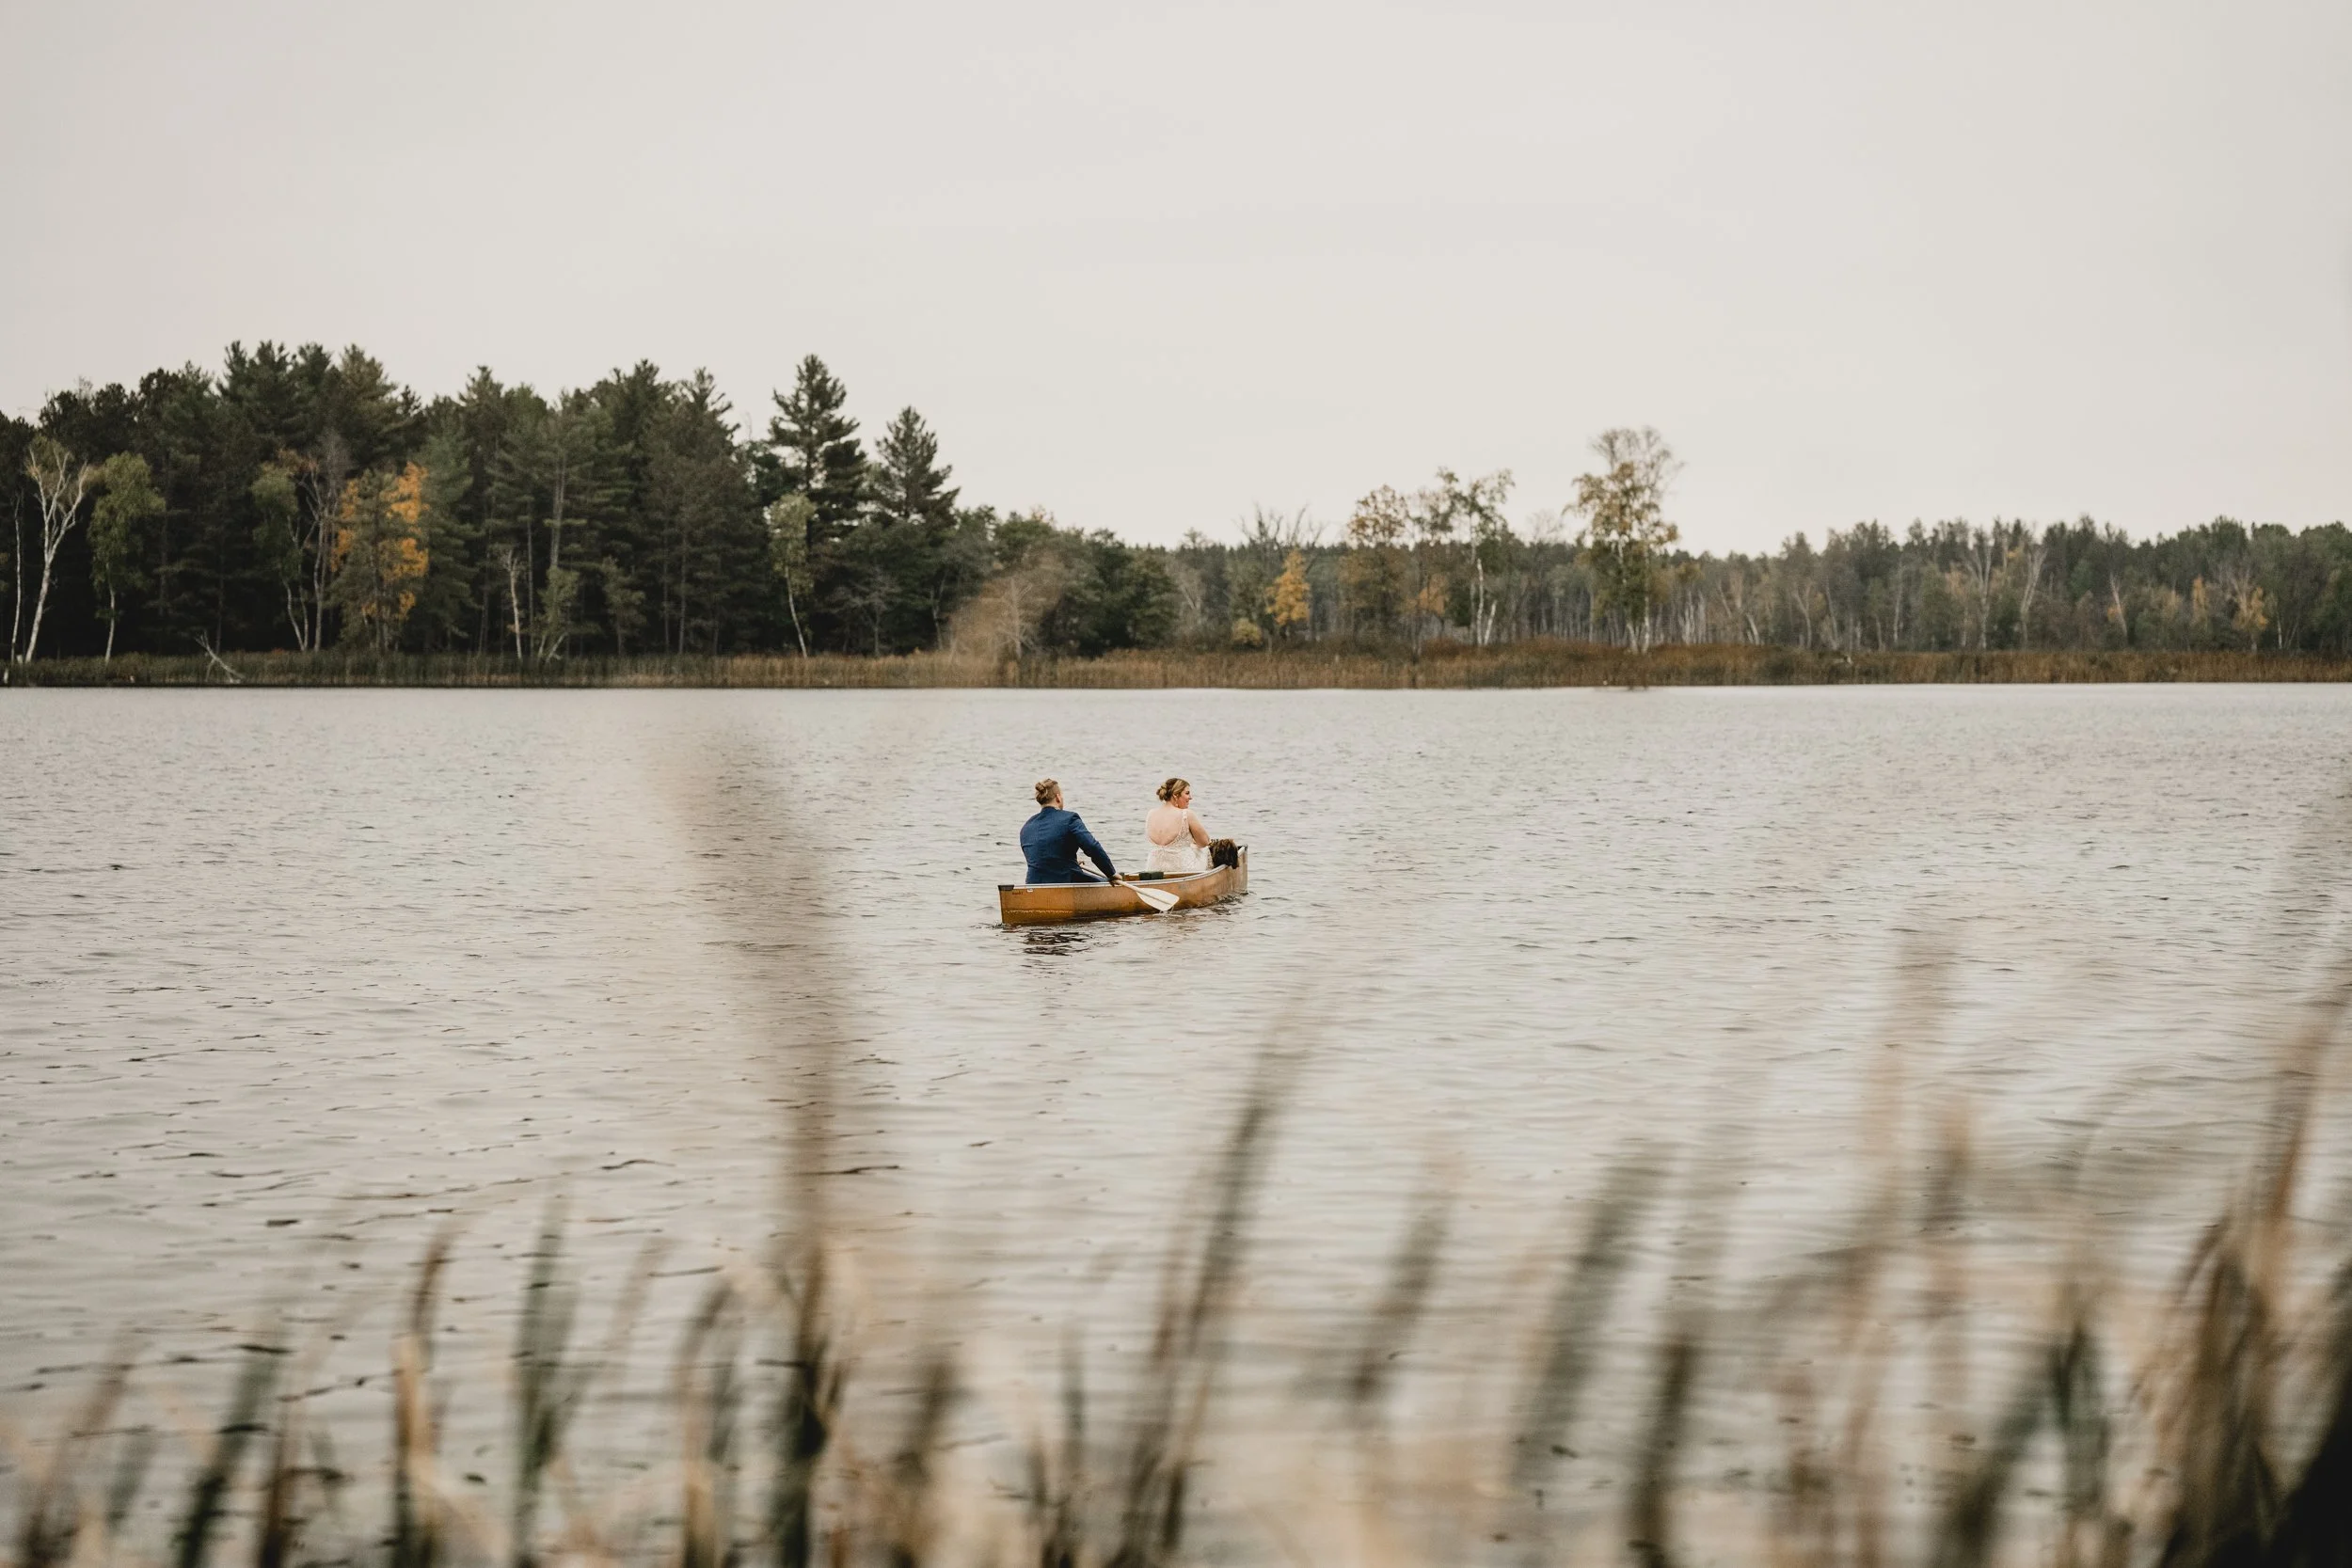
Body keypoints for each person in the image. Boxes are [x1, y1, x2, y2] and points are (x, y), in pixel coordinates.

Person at [1020, 778, 1120, 884]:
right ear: (1058, 797)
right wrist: (1111, 873)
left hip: (1033, 884)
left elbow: (1042, 859)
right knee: (1109, 881)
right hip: (1066, 882)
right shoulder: (1070, 819)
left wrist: (1071, 862)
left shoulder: (1027, 826)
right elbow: (1092, 847)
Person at [1142, 777, 1213, 875]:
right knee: (1205, 850)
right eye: (1187, 793)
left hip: (1154, 868)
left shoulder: (1151, 813)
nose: (1190, 797)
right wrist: (1192, 844)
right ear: (1175, 795)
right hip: (1181, 868)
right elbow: (1205, 842)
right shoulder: (1187, 814)